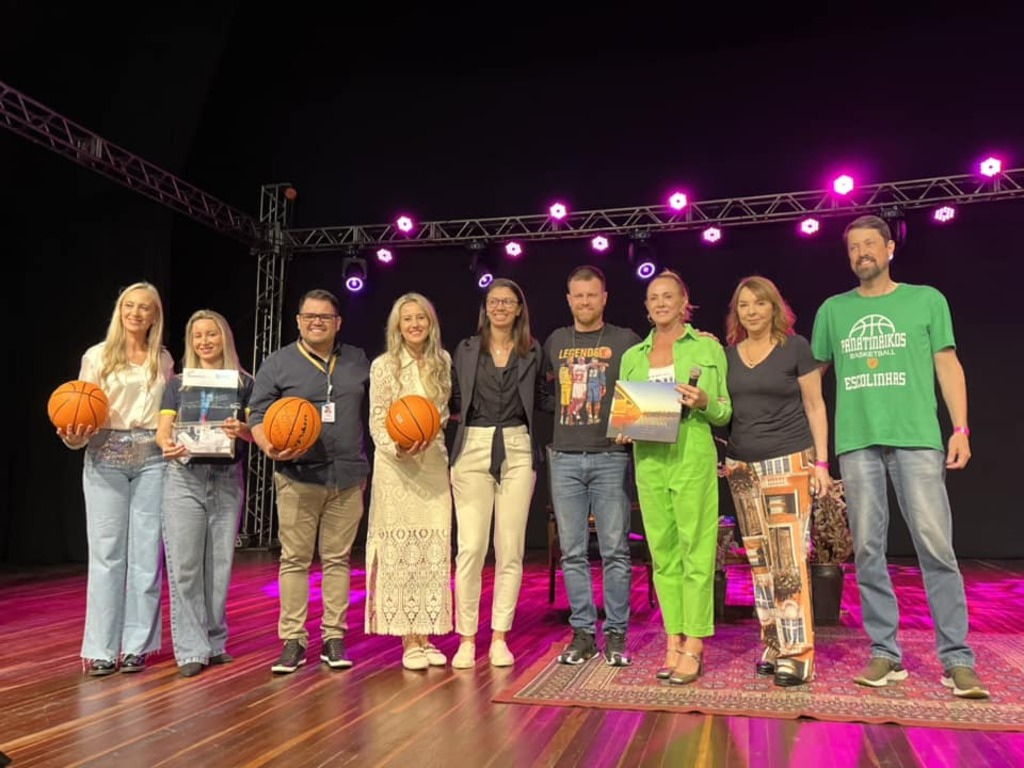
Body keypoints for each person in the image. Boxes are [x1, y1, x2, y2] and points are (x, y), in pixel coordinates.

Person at [811, 214, 988, 699]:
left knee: (936, 547)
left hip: (916, 438)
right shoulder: (832, 309)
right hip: (857, 442)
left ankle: (956, 659)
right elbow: (812, 377)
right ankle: (885, 654)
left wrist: (961, 428)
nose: (862, 252)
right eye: (854, 247)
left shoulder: (926, 300)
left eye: (871, 244)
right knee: (868, 549)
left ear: (890, 249)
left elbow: (947, 364)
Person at [617, 270, 731, 686]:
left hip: (692, 455)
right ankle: (673, 638)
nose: (661, 303)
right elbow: (627, 416)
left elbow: (724, 410)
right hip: (649, 460)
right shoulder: (633, 356)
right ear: (647, 307)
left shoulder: (705, 347)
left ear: (685, 302)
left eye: (669, 296)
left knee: (696, 551)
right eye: (653, 297)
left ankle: (696, 643)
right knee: (663, 554)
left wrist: (703, 401)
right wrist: (625, 427)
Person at [248, 289, 370, 674]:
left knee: (337, 560)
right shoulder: (278, 363)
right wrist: (268, 444)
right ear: (298, 321)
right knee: (295, 560)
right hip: (298, 475)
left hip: (348, 475)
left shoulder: (356, 360)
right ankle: (293, 640)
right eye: (309, 316)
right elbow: (256, 413)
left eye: (325, 316)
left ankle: (334, 637)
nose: (316, 321)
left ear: (338, 323)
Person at [56, 282, 175, 676]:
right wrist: (74, 438)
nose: (136, 313)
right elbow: (81, 412)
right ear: (119, 310)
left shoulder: (164, 360)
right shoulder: (97, 356)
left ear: (154, 316)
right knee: (107, 556)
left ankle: (137, 646)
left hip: (152, 458)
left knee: (146, 556)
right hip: (105, 453)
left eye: (145, 308)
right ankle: (102, 648)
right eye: (129, 305)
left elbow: (167, 415)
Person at [721, 276, 832, 687]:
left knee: (787, 560)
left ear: (774, 308)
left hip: (788, 461)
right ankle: (774, 642)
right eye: (743, 305)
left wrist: (821, 462)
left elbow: (815, 405)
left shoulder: (795, 348)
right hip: (742, 469)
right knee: (759, 562)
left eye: (759, 304)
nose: (751, 311)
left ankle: (799, 653)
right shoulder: (728, 356)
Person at [541, 265, 641, 666]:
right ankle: (583, 632)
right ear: (569, 300)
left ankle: (616, 633)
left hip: (610, 456)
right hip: (564, 456)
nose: (584, 301)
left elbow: (651, 380)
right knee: (573, 553)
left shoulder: (626, 341)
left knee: (616, 550)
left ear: (604, 297)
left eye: (592, 295)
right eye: (577, 295)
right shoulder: (556, 341)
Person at [449, 278, 547, 669]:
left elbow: (542, 398)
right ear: (485, 307)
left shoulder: (533, 350)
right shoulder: (467, 348)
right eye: (494, 301)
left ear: (519, 308)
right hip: (473, 444)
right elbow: (454, 397)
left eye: (508, 301)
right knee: (471, 548)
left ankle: (500, 638)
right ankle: (467, 638)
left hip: (518, 446)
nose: (500, 307)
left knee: (511, 549)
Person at [156, 310, 254, 678]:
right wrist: (167, 444)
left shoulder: (244, 382)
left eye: (211, 334)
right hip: (183, 477)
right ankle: (191, 649)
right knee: (185, 567)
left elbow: (253, 434)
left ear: (224, 337)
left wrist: (240, 428)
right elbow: (162, 431)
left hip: (227, 478)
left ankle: (214, 643)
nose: (204, 341)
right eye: (197, 335)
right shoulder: (178, 384)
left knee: (219, 568)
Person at [365, 293, 454, 670]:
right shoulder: (384, 366)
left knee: (432, 549)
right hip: (397, 467)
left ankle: (428, 633)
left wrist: (427, 436)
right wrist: (399, 447)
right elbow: (377, 418)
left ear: (430, 323)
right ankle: (408, 640)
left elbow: (443, 414)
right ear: (397, 327)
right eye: (407, 319)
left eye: (421, 317)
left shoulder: (443, 362)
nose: (415, 324)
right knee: (402, 555)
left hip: (432, 461)